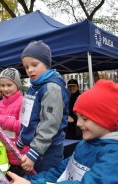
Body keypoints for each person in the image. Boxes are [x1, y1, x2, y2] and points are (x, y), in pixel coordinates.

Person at [0, 79, 118, 184]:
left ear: (105, 121)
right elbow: (61, 171)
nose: (78, 123)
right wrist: (28, 182)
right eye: (78, 117)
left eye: (85, 119)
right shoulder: (85, 144)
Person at [16, 40, 69, 173]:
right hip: (36, 147)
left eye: (34, 64)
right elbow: (28, 117)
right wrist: (23, 138)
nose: (30, 70)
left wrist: (34, 152)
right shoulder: (34, 87)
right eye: (26, 67)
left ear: (46, 64)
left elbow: (49, 124)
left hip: (48, 150)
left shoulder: (51, 88)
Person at [0, 68, 26, 176]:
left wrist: (1, 119)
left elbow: (22, 127)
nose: (6, 89)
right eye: (2, 86)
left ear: (17, 85)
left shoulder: (23, 102)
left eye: (9, 85)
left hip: (19, 154)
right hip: (2, 155)